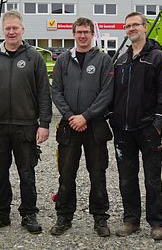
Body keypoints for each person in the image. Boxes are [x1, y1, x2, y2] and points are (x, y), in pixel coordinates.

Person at [0, 10, 52, 234]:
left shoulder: (33, 57)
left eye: (15, 28)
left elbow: (44, 94)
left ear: (22, 30)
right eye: (7, 28)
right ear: (2, 31)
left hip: (25, 125)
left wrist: (44, 123)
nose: (11, 31)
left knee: (26, 172)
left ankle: (29, 214)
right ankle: (0, 214)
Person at [109, 11, 162, 241]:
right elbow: (112, 94)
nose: (131, 29)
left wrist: (157, 125)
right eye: (127, 26)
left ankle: (156, 223)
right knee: (126, 178)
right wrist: (113, 119)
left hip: (148, 129)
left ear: (145, 27)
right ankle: (131, 220)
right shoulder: (121, 60)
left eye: (135, 24)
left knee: (152, 179)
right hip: (123, 131)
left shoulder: (158, 58)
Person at [50, 17, 114, 237]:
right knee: (66, 174)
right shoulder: (63, 60)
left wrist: (86, 116)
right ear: (73, 33)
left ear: (92, 33)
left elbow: (107, 93)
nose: (83, 35)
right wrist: (70, 116)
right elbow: (56, 91)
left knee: (98, 174)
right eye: (79, 32)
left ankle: (100, 218)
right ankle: (64, 217)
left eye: (87, 32)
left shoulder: (104, 60)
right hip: (69, 127)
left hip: (95, 127)